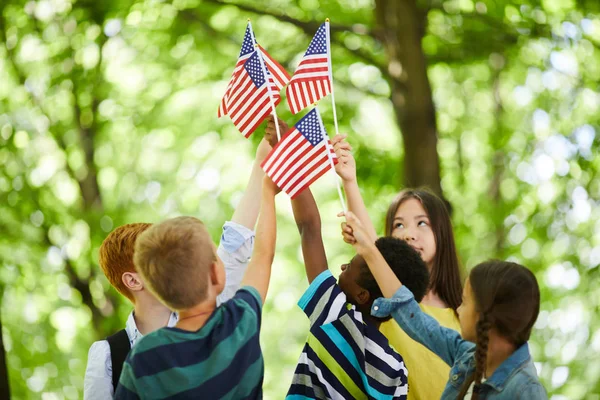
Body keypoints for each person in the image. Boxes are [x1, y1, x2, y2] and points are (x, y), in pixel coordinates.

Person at [84, 139, 272, 399]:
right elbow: (262, 258)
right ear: (133, 280)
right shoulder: (108, 356)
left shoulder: (210, 310)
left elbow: (235, 246)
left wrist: (261, 164)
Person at [264, 119, 429, 399]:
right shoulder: (397, 369)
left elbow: (309, 228)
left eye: (351, 266)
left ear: (363, 294)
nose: (342, 266)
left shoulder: (335, 316)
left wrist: (287, 154)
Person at [342, 211, 547, 399]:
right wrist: (368, 250)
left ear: (486, 314)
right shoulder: (467, 356)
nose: (458, 308)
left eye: (465, 302)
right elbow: (411, 315)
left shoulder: (525, 391)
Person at [115, 175, 279, 398]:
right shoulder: (239, 322)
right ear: (214, 273)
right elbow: (263, 256)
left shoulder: (142, 358)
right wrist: (267, 191)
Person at [331, 133, 464, 400]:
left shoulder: (464, 312)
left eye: (422, 223)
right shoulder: (389, 296)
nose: (409, 234)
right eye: (399, 225)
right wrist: (349, 181)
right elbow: (373, 249)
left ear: (443, 233)